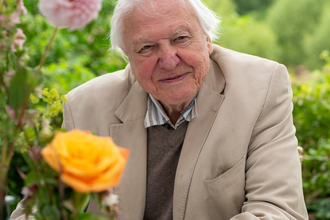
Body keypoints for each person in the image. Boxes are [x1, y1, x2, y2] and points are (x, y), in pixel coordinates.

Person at [12, 0, 308, 219]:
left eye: (180, 38)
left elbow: (277, 209)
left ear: (207, 40)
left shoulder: (261, 86)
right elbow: (36, 209)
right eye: (146, 48)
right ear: (127, 56)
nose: (168, 60)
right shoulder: (85, 106)